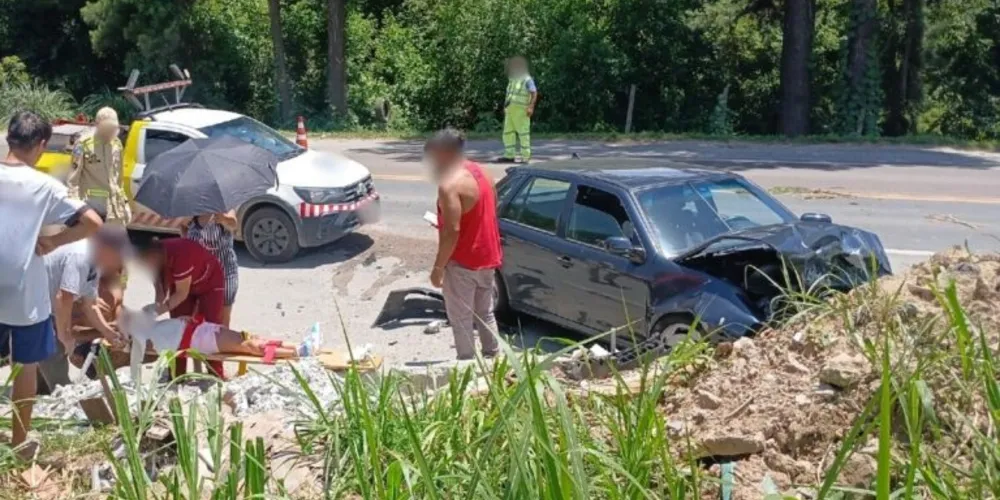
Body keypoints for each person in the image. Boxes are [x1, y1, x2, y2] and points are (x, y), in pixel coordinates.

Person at [0, 110, 102, 456]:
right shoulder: (45, 185)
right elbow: (92, 222)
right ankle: (19, 443)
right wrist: (55, 241)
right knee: (24, 366)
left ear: (9, 138)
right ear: (41, 145)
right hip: (23, 292)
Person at [426, 129, 503, 360]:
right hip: (488, 256)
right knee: (485, 313)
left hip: (463, 261)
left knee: (461, 318)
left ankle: (466, 363)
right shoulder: (483, 172)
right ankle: (494, 358)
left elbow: (452, 231)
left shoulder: (449, 184)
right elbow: (490, 208)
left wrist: (438, 268)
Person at [119, 305, 322, 384]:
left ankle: (300, 346)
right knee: (247, 344)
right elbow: (136, 359)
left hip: (199, 332)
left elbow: (155, 309)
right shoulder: (139, 337)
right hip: (199, 338)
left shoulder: (145, 327)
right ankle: (301, 350)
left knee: (249, 338)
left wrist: (180, 319)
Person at [37, 225, 131, 391]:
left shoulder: (95, 264)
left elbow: (91, 304)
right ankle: (60, 392)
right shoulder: (81, 256)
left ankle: (55, 389)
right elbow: (63, 297)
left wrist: (109, 333)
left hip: (45, 308)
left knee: (52, 350)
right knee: (52, 348)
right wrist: (65, 335)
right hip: (29, 303)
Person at [134, 237, 226, 378]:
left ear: (153, 255)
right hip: (182, 286)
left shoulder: (180, 255)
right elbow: (161, 292)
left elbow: (181, 294)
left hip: (209, 281)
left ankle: (215, 374)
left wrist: (157, 311)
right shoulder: (155, 262)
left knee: (210, 329)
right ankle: (177, 374)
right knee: (177, 328)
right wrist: (153, 311)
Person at [68, 107, 131, 226]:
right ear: (98, 125)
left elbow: (119, 178)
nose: (110, 132)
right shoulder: (84, 144)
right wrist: (75, 205)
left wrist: (124, 202)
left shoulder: (117, 144)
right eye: (107, 128)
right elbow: (73, 178)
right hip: (91, 207)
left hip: (113, 209)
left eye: (112, 128)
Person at [181, 211, 239, 326]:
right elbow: (183, 226)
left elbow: (233, 224)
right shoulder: (193, 212)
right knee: (197, 315)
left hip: (224, 270)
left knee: (223, 315)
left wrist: (223, 218)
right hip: (200, 273)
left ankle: (223, 336)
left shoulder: (223, 209)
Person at [498, 56, 538, 163]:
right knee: (508, 133)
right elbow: (509, 94)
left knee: (523, 134)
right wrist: (505, 106)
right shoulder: (513, 79)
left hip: (522, 111)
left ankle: (525, 157)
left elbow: (534, 92)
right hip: (510, 110)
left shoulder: (527, 79)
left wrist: (531, 107)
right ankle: (509, 155)